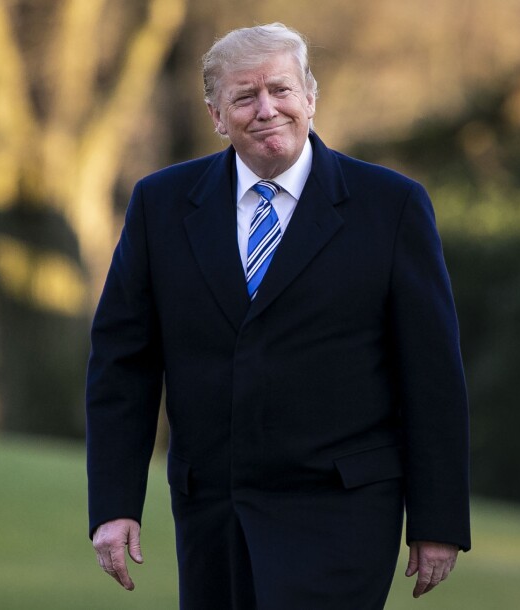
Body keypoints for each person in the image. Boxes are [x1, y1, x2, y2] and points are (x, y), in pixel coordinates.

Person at [86, 22, 470, 610]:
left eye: (282, 90)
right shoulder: (159, 206)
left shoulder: (390, 207)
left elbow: (433, 374)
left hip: (342, 512)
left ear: (310, 97)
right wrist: (114, 505)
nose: (267, 109)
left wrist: (437, 518)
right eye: (245, 96)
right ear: (216, 114)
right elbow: (122, 366)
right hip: (214, 513)